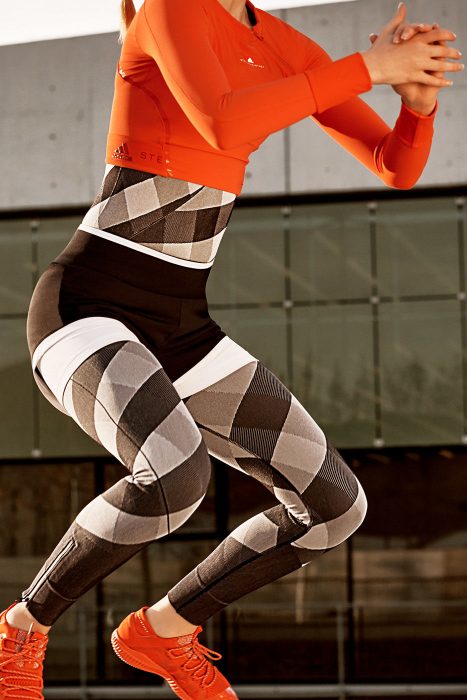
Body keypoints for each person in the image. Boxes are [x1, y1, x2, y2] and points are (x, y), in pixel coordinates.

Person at [0, 0, 462, 697]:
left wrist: (416, 105)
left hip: (182, 322)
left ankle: (163, 631)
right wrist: (369, 67)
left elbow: (394, 166)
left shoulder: (282, 44)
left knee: (334, 505)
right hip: (89, 303)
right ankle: (22, 627)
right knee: (173, 474)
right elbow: (224, 122)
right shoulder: (169, 8)